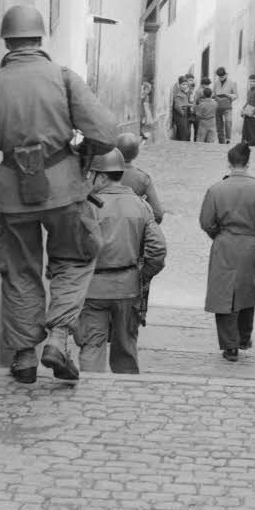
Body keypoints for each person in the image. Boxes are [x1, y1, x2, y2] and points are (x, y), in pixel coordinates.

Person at [0, 4, 119, 385]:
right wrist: (83, 147)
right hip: (63, 188)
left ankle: (25, 354)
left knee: (18, 269)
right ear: (40, 38)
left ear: (6, 41)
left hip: (12, 193)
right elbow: (106, 133)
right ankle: (59, 338)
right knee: (74, 259)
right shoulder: (63, 79)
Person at [73, 145, 167, 374]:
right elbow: (158, 250)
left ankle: (89, 395)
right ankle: (125, 395)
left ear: (102, 176)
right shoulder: (140, 205)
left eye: (91, 174)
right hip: (128, 289)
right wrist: (140, 275)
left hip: (93, 289)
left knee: (91, 345)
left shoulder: (86, 207)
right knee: (125, 348)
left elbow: (71, 248)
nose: (89, 179)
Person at [199, 142, 255, 360]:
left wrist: (219, 235)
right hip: (251, 245)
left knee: (224, 294)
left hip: (224, 244)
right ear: (248, 163)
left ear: (229, 163)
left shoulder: (216, 189)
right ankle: (244, 338)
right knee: (248, 291)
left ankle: (230, 346)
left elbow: (206, 221)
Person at [91, 131, 164, 222]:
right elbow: (157, 214)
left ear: (115, 149)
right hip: (131, 226)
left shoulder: (101, 174)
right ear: (136, 153)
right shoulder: (143, 178)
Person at [211, 66, 238, 144]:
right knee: (219, 125)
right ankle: (221, 141)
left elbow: (236, 95)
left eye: (222, 76)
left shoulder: (232, 82)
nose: (221, 78)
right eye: (219, 77)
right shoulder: (216, 82)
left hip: (227, 106)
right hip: (218, 106)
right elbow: (213, 93)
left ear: (226, 74)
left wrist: (229, 96)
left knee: (228, 121)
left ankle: (228, 138)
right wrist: (215, 97)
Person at [241, 72, 255, 147]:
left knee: (252, 133)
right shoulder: (249, 91)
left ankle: (253, 148)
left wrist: (253, 112)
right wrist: (243, 110)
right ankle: (244, 148)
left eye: (254, 81)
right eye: (250, 81)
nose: (252, 83)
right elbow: (248, 102)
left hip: (253, 116)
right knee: (245, 132)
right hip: (247, 114)